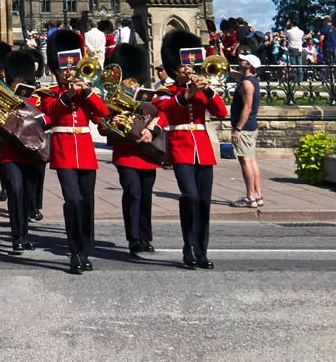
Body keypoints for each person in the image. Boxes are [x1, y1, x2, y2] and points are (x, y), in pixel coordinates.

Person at [155, 29, 228, 270]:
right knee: (190, 196)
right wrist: (189, 92)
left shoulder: (203, 86)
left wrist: (207, 90)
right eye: (184, 66)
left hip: (202, 148)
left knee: (204, 201)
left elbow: (221, 112)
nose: (189, 69)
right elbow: (168, 111)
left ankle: (202, 250)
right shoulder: (167, 92)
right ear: (175, 67)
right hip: (180, 148)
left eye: (190, 66)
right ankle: (189, 244)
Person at [42, 29, 108, 275]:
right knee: (73, 200)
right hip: (63, 152)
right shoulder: (50, 94)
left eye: (71, 68)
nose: (68, 72)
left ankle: (85, 250)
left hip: (85, 152)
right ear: (56, 70)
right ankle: (74, 251)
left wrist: (87, 92)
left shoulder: (86, 92)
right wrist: (68, 97)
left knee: (87, 202)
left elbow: (101, 113)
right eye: (63, 69)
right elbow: (52, 113)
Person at [109, 42, 164, 257]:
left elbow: (161, 115)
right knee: (133, 193)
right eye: (129, 80)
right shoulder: (114, 97)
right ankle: (133, 237)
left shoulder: (148, 96)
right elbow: (104, 127)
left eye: (134, 81)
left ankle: (145, 236)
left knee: (146, 196)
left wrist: (152, 130)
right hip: (126, 154)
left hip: (147, 152)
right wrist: (113, 119)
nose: (132, 84)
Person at [0, 50, 47, 256]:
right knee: (15, 190)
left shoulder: (37, 98)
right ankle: (17, 236)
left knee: (27, 193)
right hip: (10, 153)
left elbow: (47, 120)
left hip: (32, 152)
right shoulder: (1, 97)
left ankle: (24, 234)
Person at [230, 51, 263, 209]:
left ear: (248, 65)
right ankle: (258, 195)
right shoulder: (251, 80)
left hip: (244, 127)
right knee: (251, 159)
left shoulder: (246, 84)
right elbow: (236, 75)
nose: (240, 61)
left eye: (243, 60)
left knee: (245, 161)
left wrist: (238, 128)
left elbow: (247, 108)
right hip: (251, 126)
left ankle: (250, 197)